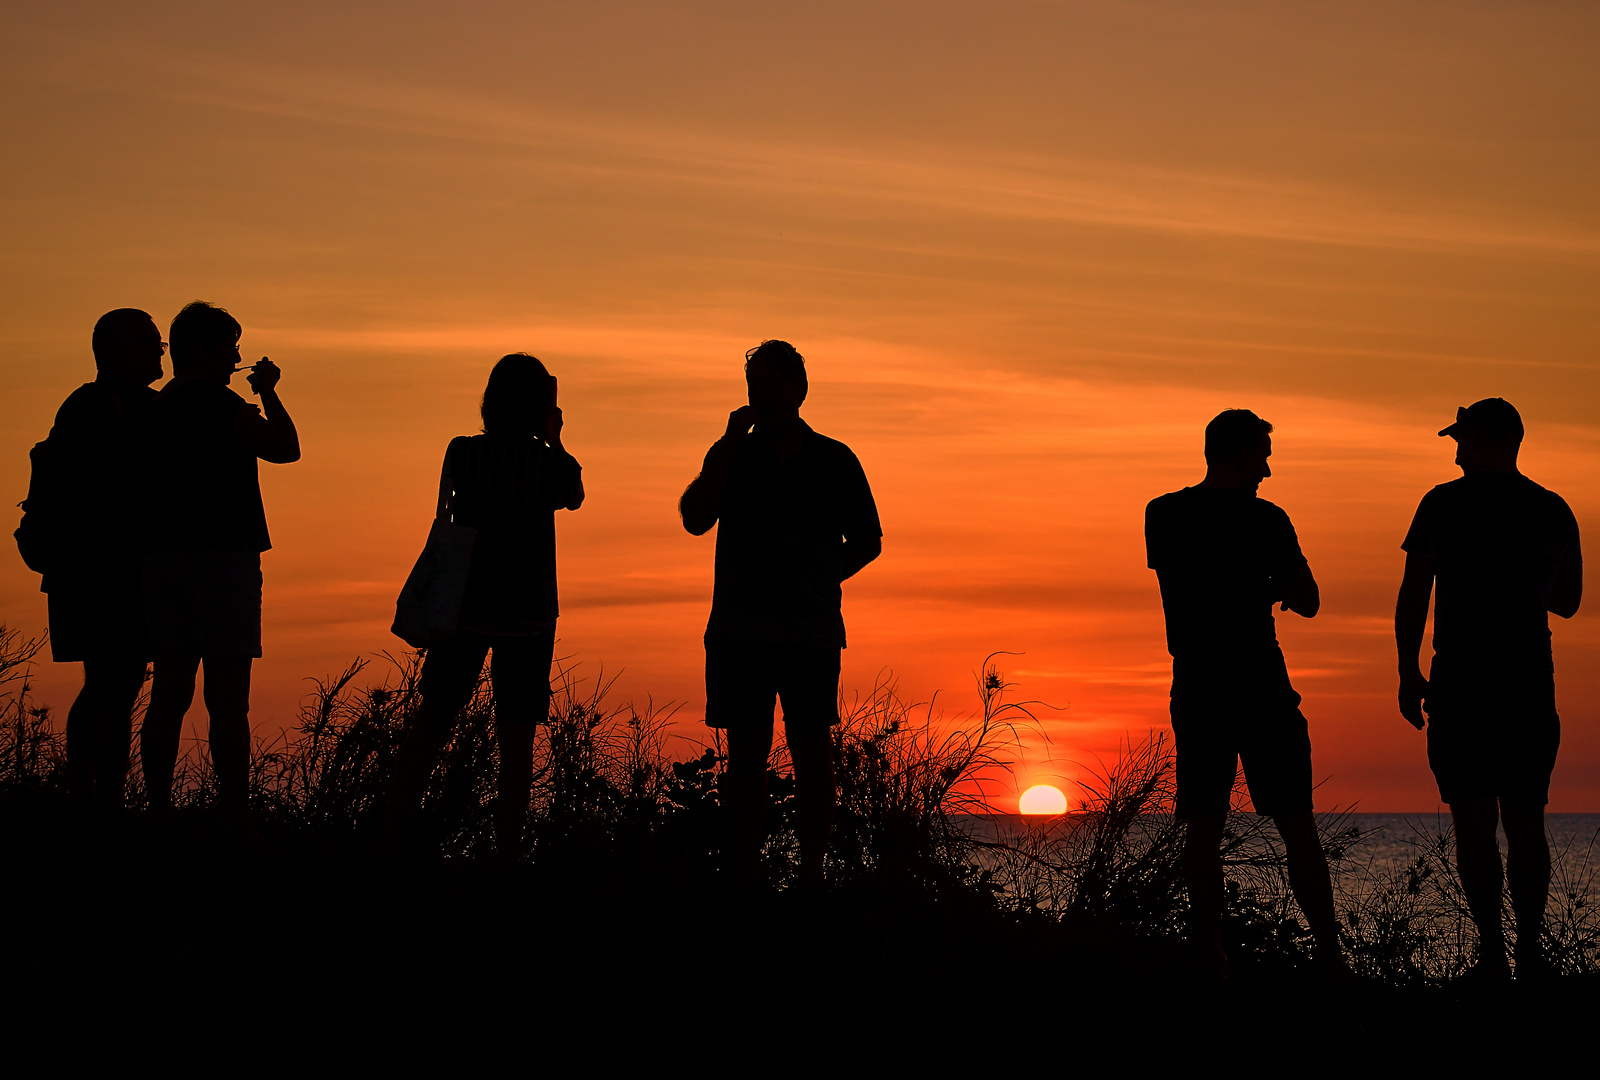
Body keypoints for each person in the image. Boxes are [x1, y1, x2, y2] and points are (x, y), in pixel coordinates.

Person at [1145, 409, 1346, 978]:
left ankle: (1213, 955)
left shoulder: (1165, 513)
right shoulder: (1267, 521)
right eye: (1262, 454)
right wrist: (1267, 583)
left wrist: (1256, 583)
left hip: (1205, 681)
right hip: (1252, 681)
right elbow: (1304, 597)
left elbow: (1192, 582)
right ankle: (1328, 959)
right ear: (1236, 453)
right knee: (1290, 824)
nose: (1268, 468)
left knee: (1208, 823)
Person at [679, 339, 882, 886]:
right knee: (745, 758)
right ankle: (744, 876)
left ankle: (811, 877)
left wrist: (816, 576)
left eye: (774, 383)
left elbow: (868, 540)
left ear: (799, 390)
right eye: (756, 384)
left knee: (812, 753)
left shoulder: (834, 460)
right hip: (739, 633)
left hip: (809, 635)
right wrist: (723, 448)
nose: (763, 394)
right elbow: (695, 518)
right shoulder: (733, 456)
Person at [1395, 398, 1581, 982]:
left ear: (1495, 439)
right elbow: (1569, 601)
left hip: (1464, 685)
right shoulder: (1552, 510)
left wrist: (1406, 672)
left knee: (1473, 823)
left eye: (1465, 438)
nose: (1456, 450)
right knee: (1527, 822)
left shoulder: (1442, 503)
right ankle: (1526, 954)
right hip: (1527, 684)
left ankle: (1495, 957)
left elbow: (1412, 595)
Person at [383, 353, 583, 857]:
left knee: (434, 721)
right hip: (529, 611)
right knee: (516, 737)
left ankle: (388, 832)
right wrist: (553, 433)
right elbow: (573, 493)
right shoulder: (546, 463)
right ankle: (508, 852)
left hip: (463, 606)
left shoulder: (463, 454)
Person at [139, 302, 300, 835]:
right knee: (228, 698)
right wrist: (270, 393)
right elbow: (286, 449)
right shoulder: (220, 405)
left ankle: (158, 810)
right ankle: (236, 816)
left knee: (169, 691)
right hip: (222, 559)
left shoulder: (158, 407)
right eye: (231, 344)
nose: (236, 354)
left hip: (162, 558)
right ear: (207, 348)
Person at [16, 309, 165, 820]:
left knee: (123, 683)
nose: (160, 350)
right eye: (150, 342)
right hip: (94, 567)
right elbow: (80, 470)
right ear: (116, 348)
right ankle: (83, 800)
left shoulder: (144, 405)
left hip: (128, 566)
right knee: (109, 677)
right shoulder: (90, 404)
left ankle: (106, 802)